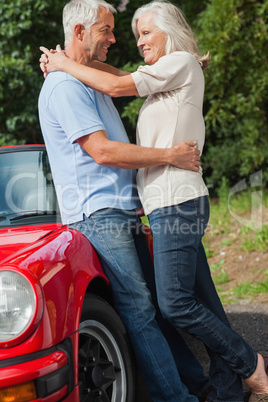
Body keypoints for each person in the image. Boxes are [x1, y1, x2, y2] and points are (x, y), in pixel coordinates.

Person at [40, 1, 268, 402]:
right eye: (111, 31)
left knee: (172, 305)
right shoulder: (75, 85)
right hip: (139, 207)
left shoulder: (177, 63)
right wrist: (63, 66)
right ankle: (222, 390)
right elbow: (109, 114)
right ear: (80, 32)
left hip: (171, 202)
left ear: (168, 30)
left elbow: (115, 83)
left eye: (143, 32)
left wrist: (63, 63)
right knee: (176, 305)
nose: (127, 40)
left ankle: (246, 367)